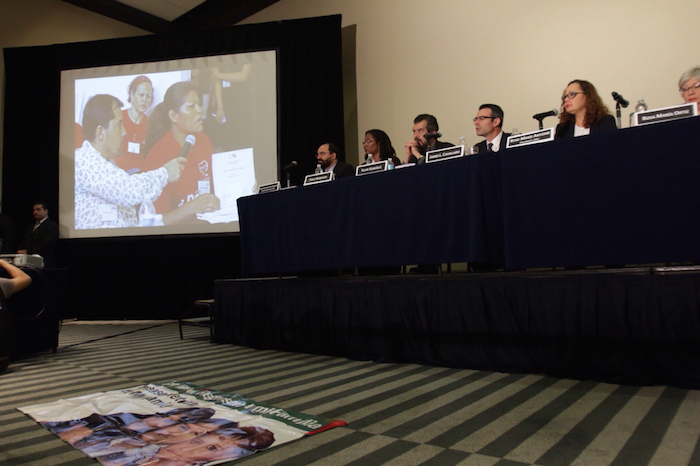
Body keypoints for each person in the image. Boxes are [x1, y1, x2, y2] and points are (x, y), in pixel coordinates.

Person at [75, 94, 185, 230]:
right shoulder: (85, 162)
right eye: (119, 125)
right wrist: (166, 173)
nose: (124, 132)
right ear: (100, 133)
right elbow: (129, 191)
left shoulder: (106, 163)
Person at [142, 82, 220, 225]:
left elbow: (217, 190)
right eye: (191, 106)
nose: (199, 110)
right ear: (173, 115)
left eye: (199, 104)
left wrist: (240, 187)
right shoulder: (158, 156)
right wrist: (191, 207)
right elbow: (155, 221)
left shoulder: (203, 140)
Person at [113, 76, 154, 173]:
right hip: (118, 173)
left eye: (148, 96)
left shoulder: (151, 125)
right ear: (132, 95)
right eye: (141, 95)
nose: (144, 99)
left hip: (141, 176)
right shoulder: (118, 118)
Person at [17, 202, 59, 267]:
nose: (35, 212)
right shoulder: (30, 227)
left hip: (44, 261)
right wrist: (20, 250)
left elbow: (47, 244)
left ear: (46, 211)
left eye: (38, 210)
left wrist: (27, 251)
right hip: (27, 262)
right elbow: (24, 241)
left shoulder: (51, 226)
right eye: (33, 210)